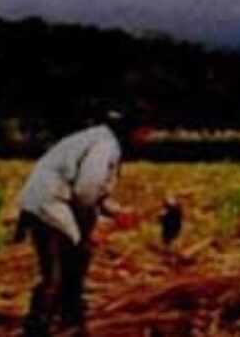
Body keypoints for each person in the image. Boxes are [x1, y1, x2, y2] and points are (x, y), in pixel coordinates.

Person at [15, 111, 145, 337]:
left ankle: (70, 324)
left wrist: (115, 211)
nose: (147, 137)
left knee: (73, 266)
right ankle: (38, 327)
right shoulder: (105, 145)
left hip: (46, 203)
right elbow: (85, 191)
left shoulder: (97, 138)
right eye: (145, 131)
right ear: (133, 131)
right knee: (57, 275)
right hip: (51, 207)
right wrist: (93, 227)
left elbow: (90, 190)